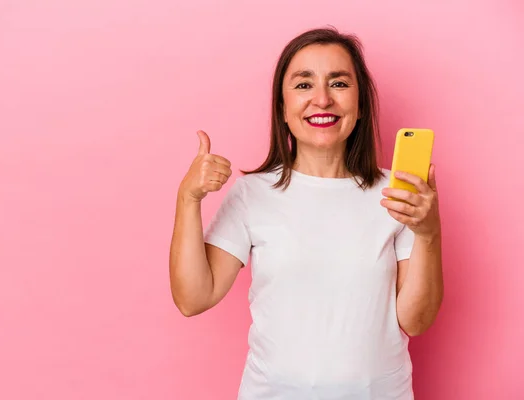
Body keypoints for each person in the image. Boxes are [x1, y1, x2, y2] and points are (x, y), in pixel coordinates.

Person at [169, 26, 444, 400]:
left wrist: (428, 234)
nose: (322, 99)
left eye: (339, 83)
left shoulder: (398, 194)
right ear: (282, 108)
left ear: (360, 104)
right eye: (303, 85)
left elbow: (417, 320)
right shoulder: (253, 193)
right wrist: (189, 198)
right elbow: (193, 298)